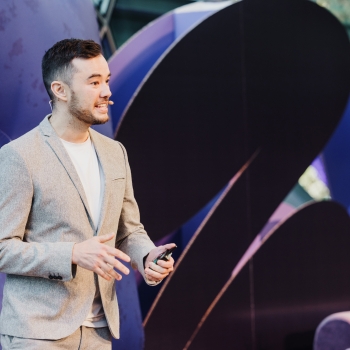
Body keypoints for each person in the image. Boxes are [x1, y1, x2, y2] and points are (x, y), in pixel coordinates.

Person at [0, 38, 175, 349]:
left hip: (99, 333)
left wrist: (147, 256)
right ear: (60, 90)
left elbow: (129, 231)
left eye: (106, 80)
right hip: (36, 334)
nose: (107, 91)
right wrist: (71, 254)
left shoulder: (114, 153)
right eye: (94, 82)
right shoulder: (20, 156)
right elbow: (2, 247)